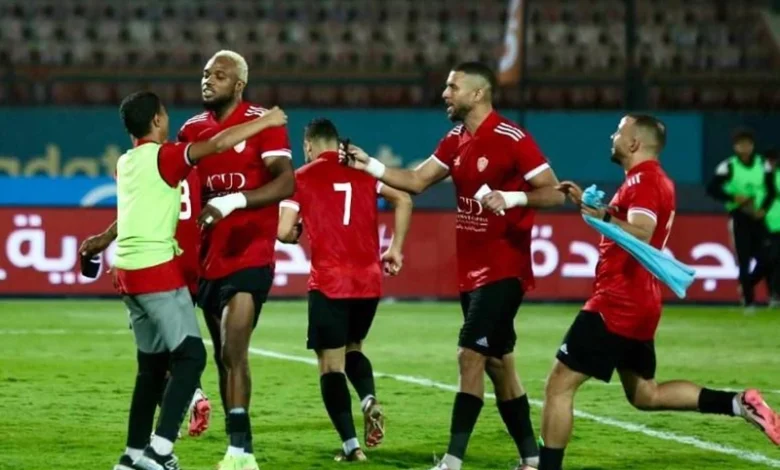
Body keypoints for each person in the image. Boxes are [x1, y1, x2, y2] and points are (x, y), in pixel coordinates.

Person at [342, 61, 566, 470]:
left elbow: (554, 192)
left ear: (477, 93)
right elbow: (415, 180)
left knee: (469, 356)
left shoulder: (512, 137)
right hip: (472, 272)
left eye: (453, 87)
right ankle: (532, 459)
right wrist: (369, 165)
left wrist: (512, 197)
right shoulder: (455, 139)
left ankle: (452, 462)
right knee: (498, 365)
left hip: (505, 269)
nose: (445, 94)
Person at [540, 114, 780, 470]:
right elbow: (628, 227)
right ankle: (737, 403)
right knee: (645, 394)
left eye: (618, 132)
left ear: (634, 142)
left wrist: (604, 216)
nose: (612, 136)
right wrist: (591, 207)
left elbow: (642, 232)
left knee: (559, 385)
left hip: (617, 301)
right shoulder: (648, 180)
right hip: (639, 299)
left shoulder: (646, 180)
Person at [107, 90, 287, 470]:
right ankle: (160, 450)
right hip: (156, 272)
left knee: (150, 368)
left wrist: (101, 240)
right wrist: (266, 121)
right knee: (192, 357)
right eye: (164, 113)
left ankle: (132, 455)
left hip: (126, 275)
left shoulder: (125, 163)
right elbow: (218, 143)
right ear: (157, 120)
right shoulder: (167, 157)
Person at [177, 50, 295, 470]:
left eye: (220, 75)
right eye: (206, 73)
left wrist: (234, 201)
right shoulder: (192, 129)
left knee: (233, 351)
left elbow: (285, 181)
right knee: (221, 357)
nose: (208, 80)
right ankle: (237, 446)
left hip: (251, 253)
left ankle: (241, 451)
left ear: (239, 84)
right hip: (209, 258)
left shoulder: (263, 122)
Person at [277, 118, 413, 461]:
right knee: (354, 349)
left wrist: (294, 234)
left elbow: (282, 230)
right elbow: (404, 199)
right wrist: (396, 249)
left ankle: (352, 448)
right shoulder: (363, 170)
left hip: (329, 283)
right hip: (368, 281)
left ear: (308, 146)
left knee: (330, 366)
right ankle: (368, 399)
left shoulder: (301, 177)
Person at [80, 168, 212, 438]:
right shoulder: (192, 164)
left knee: (154, 353)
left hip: (157, 258)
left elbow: (136, 213)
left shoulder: (140, 163)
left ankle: (171, 424)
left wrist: (112, 245)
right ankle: (180, 411)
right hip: (191, 259)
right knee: (177, 343)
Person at [706, 128, 770, 311]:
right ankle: (749, 302)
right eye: (741, 144)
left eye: (747, 144)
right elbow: (712, 189)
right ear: (735, 147)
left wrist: (764, 209)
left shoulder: (763, 164)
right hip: (740, 215)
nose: (744, 148)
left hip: (758, 216)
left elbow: (771, 189)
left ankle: (747, 285)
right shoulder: (728, 166)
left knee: (768, 258)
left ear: (753, 146)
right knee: (744, 259)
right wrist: (733, 197)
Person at [759, 148, 780, 306]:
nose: (771, 163)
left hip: (777, 225)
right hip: (764, 225)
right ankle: (773, 294)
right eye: (768, 160)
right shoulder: (760, 177)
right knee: (769, 260)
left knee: (776, 259)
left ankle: (775, 294)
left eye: (773, 160)